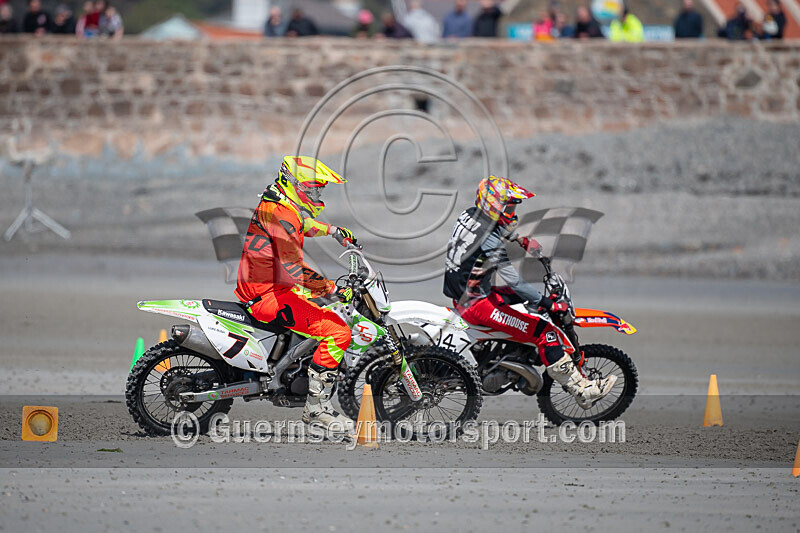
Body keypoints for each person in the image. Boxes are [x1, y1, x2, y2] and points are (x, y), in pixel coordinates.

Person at [444, 176, 617, 409]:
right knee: (544, 331)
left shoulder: (470, 215)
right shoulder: (489, 240)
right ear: (494, 205)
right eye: (509, 205)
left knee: (521, 302)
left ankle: (509, 355)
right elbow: (514, 281)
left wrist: (521, 240)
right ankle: (582, 390)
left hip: (466, 292)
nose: (512, 211)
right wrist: (549, 304)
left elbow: (497, 229)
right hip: (476, 304)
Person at [235, 156, 358, 432]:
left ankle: (292, 370)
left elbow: (301, 225)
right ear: (295, 185)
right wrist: (333, 288)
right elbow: (295, 270)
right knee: (338, 331)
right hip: (269, 295)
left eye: (319, 190)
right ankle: (317, 410)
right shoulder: (282, 213)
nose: (317, 195)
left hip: (265, 287)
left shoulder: (278, 203)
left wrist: (333, 231)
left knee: (319, 309)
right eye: (313, 189)